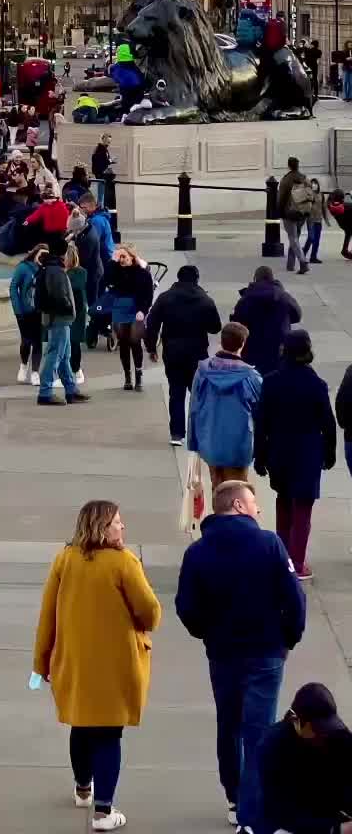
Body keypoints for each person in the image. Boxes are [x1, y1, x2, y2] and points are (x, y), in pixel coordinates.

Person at [175, 478, 307, 834]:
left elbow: (186, 608)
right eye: (253, 502)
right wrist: (289, 639)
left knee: (228, 726)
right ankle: (250, 816)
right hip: (266, 653)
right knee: (259, 733)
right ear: (237, 506)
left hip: (223, 653)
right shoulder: (270, 545)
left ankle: (234, 798)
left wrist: (207, 633)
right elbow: (294, 600)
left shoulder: (198, 553)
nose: (258, 508)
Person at [33, 499, 161, 831]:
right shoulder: (124, 563)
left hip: (75, 663)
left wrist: (40, 662)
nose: (123, 527)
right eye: (117, 522)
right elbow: (151, 612)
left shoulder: (65, 560)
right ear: (102, 528)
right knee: (108, 734)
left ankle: (82, 787)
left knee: (82, 724)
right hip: (115, 666)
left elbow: (48, 615)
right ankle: (104, 811)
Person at [254, 329, 337, 581]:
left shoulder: (271, 382)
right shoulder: (316, 385)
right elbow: (328, 423)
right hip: (308, 453)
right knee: (303, 510)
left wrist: (260, 455)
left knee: (283, 503)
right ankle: (297, 563)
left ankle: (281, 558)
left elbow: (261, 422)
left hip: (279, 451)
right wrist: (330, 453)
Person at [259, 682, 352, 834]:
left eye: (328, 727)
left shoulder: (337, 736)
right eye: (317, 728)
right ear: (296, 721)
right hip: (291, 823)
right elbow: (282, 813)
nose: (324, 734)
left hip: (330, 813)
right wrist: (336, 829)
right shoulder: (272, 746)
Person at [144, 264, 222, 446]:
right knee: (198, 393)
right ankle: (199, 432)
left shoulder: (165, 298)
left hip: (173, 351)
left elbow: (152, 323)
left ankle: (176, 433)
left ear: (178, 278)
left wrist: (151, 348)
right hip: (197, 352)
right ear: (197, 279)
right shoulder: (205, 300)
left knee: (176, 391)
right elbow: (215, 327)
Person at [189, 322, 263, 499]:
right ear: (243, 343)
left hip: (210, 443)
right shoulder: (251, 377)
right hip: (239, 447)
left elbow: (194, 409)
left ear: (221, 342)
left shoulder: (203, 371)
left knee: (217, 491)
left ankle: (218, 523)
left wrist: (194, 443)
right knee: (237, 496)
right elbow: (262, 414)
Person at [35, 246, 89, 405]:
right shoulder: (56, 271)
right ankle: (45, 393)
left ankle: (71, 390)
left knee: (64, 356)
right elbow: (59, 295)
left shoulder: (50, 269)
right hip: (59, 318)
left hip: (57, 318)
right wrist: (67, 308)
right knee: (55, 355)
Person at [232, 266, 303, 376]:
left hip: (253, 348)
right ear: (272, 278)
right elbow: (297, 315)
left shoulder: (247, 298)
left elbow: (237, 321)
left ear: (255, 278)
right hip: (278, 346)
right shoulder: (283, 296)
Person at [106, 244, 154, 391]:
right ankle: (127, 376)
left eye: (124, 257)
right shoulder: (116, 271)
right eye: (119, 257)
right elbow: (105, 280)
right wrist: (112, 262)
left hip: (136, 309)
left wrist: (143, 310)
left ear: (132, 257)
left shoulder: (142, 273)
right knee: (124, 342)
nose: (121, 260)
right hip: (120, 308)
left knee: (135, 341)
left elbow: (148, 294)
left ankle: (138, 373)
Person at [10, 244, 47, 386]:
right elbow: (14, 287)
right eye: (41, 254)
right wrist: (17, 309)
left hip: (40, 311)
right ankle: (24, 365)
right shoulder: (23, 267)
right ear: (35, 253)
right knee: (26, 341)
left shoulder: (46, 268)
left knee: (38, 342)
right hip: (25, 312)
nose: (43, 257)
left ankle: (35, 372)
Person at [278, 157, 313, 275]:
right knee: (295, 237)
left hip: (290, 212)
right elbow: (310, 194)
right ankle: (290, 265)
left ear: (288, 165)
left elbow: (281, 198)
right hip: (303, 212)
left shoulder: (286, 180)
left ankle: (303, 263)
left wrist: (278, 212)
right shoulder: (304, 178)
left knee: (293, 238)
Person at [65, 243, 89, 388]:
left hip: (76, 312)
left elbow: (75, 288)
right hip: (72, 311)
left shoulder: (78, 273)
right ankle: (71, 371)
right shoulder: (74, 272)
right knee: (69, 343)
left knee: (73, 342)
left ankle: (77, 370)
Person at [304, 178, 332, 266]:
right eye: (312, 183)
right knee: (311, 238)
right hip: (310, 220)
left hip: (318, 220)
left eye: (315, 183)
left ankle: (313, 257)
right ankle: (303, 253)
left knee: (317, 240)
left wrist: (326, 220)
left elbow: (323, 208)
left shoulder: (321, 195)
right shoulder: (309, 194)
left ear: (318, 185)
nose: (314, 185)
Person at [91, 134, 112, 203]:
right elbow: (103, 161)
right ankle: (100, 205)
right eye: (108, 141)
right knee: (101, 192)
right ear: (103, 140)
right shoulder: (101, 149)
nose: (109, 143)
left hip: (100, 172)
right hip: (101, 172)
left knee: (101, 191)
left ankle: (100, 205)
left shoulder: (101, 149)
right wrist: (110, 161)